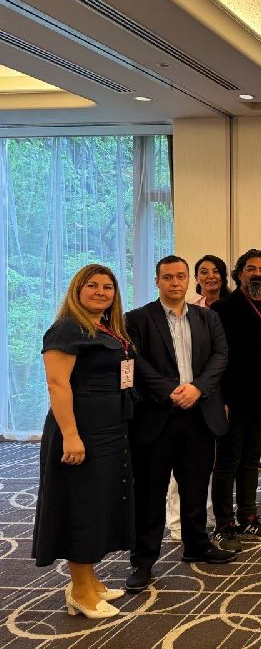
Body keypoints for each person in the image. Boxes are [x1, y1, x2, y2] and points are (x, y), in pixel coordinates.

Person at [124, 256, 233, 595]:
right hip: (158, 415)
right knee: (150, 491)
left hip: (199, 414)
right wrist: (169, 390)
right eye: (168, 277)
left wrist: (198, 388)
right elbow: (135, 360)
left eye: (180, 276)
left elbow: (220, 356)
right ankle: (143, 560)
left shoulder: (208, 317)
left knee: (196, 485)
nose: (175, 282)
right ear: (157, 281)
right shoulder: (138, 319)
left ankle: (196, 544)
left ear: (189, 280)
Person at [34, 264, 134, 619]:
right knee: (81, 506)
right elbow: (57, 384)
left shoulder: (105, 327)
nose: (100, 292)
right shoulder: (66, 328)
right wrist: (71, 436)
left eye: (107, 286)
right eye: (92, 285)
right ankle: (80, 590)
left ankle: (90, 580)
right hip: (80, 431)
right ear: (77, 290)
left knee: (99, 504)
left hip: (109, 430)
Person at [210, 249, 261, 550]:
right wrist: (221, 397)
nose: (257, 274)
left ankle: (248, 517)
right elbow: (218, 357)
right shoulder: (223, 309)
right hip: (233, 398)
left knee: (251, 460)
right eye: (251, 268)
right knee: (228, 461)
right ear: (239, 273)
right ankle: (224, 524)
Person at [165, 253, 228, 542]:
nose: (210, 276)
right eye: (204, 271)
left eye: (215, 271)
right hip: (179, 397)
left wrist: (211, 393)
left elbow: (222, 357)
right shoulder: (189, 308)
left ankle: (208, 514)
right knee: (179, 465)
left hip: (213, 396)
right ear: (197, 278)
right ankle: (177, 520)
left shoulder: (227, 309)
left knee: (208, 464)